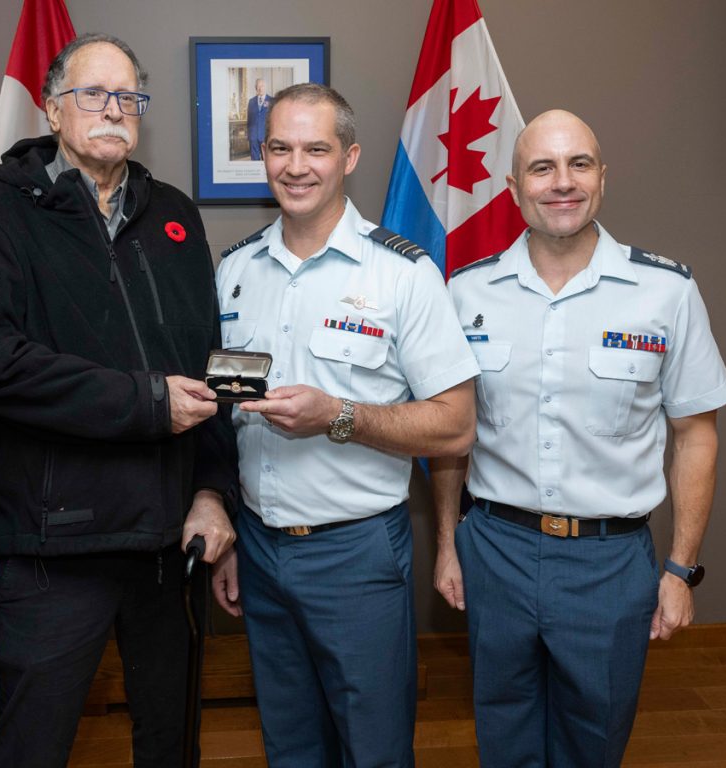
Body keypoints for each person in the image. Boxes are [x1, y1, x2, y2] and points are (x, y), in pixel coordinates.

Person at [0, 33, 237, 768]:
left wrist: (211, 491)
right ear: (51, 109)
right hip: (56, 545)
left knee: (170, 743)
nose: (115, 110)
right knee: (32, 746)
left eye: (128, 97)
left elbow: (205, 367)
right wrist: (142, 403)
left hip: (166, 542)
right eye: (93, 94)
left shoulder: (172, 213)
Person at [430, 109, 726, 767]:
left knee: (593, 744)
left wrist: (680, 569)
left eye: (579, 164)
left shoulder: (665, 292)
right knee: (502, 737)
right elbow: (451, 436)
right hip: (497, 551)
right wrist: (450, 544)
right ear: (513, 188)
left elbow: (696, 436)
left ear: (603, 178)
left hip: (610, 561)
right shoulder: (465, 290)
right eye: (542, 167)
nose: (561, 182)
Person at [212, 83, 478, 767]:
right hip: (261, 551)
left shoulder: (403, 274)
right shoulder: (234, 270)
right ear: (261, 157)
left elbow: (455, 425)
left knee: (375, 749)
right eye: (279, 148)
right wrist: (234, 528)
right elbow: (224, 421)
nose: (295, 166)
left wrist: (340, 416)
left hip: (355, 554)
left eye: (316, 149)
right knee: (291, 744)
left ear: (350, 156)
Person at [246, 77, 271, 160]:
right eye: (258, 86)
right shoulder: (251, 101)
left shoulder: (272, 100)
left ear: (265, 87)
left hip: (266, 136)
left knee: (267, 160)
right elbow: (249, 120)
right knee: (254, 160)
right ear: (256, 88)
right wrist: (249, 135)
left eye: (262, 86)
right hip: (253, 137)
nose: (260, 88)